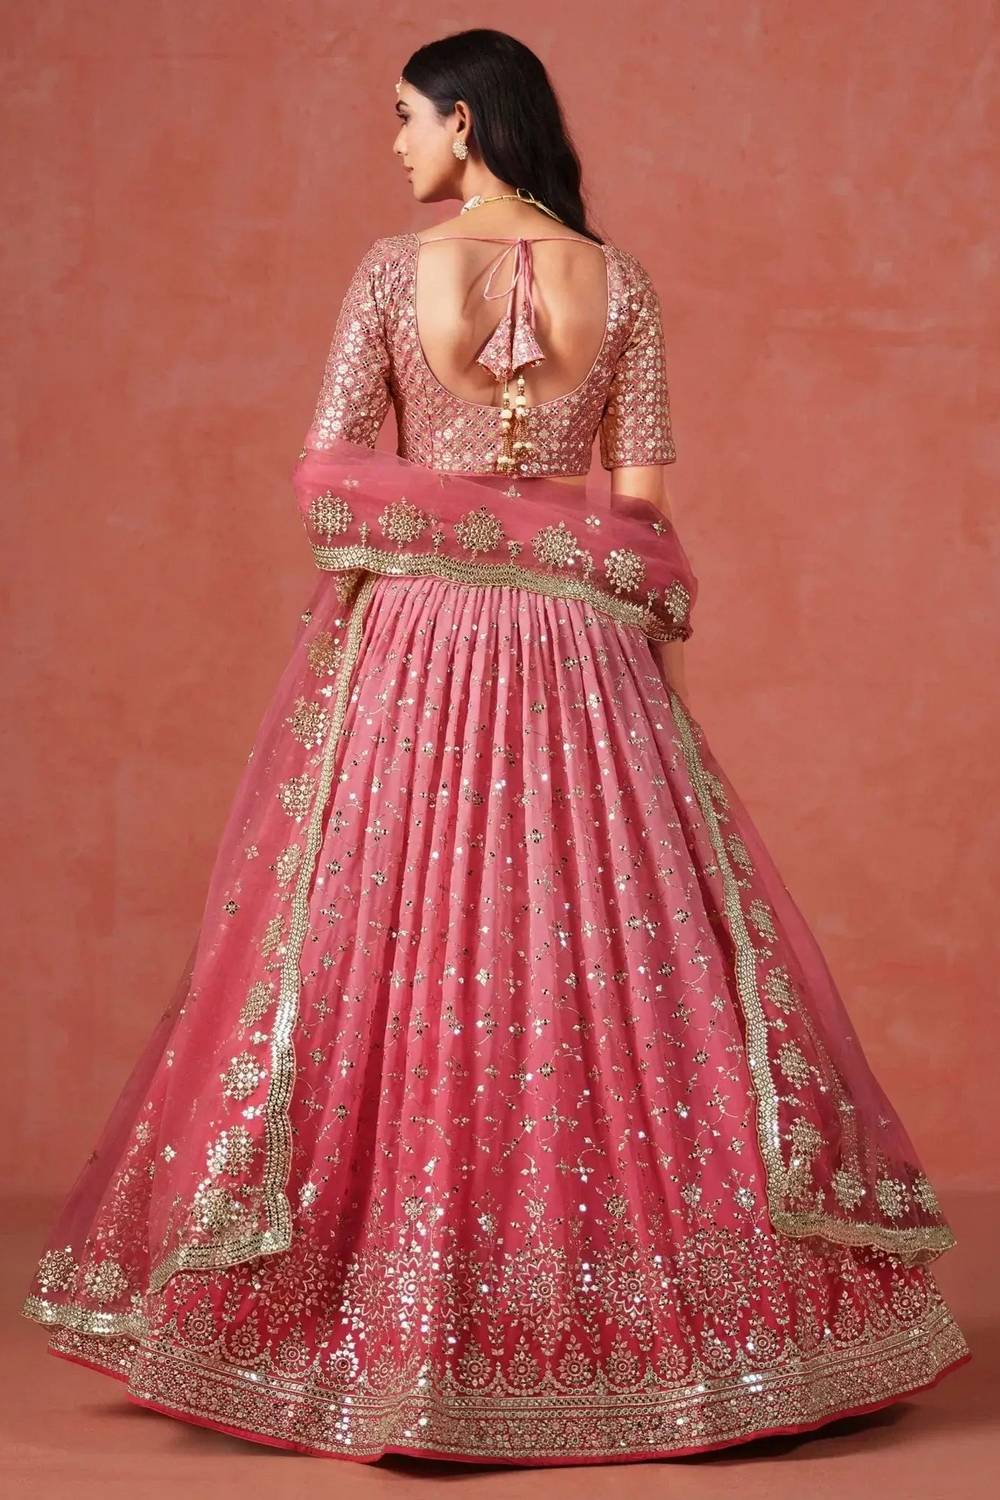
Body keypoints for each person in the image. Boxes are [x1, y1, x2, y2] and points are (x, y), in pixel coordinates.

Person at [22, 27, 970, 1467]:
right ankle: (673, 1330)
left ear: (465, 124)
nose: (397, 144)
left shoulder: (390, 275)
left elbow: (330, 474)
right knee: (608, 940)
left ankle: (405, 1325)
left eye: (407, 118)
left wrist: (442, 533)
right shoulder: (620, 281)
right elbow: (640, 518)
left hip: (422, 645)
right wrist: (641, 667)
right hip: (587, 649)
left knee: (403, 926)